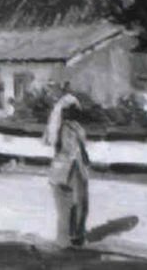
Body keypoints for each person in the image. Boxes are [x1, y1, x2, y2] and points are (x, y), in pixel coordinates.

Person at [45, 95, 90, 247]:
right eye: (73, 110)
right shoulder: (69, 128)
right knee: (77, 204)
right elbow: (76, 150)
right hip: (72, 168)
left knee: (68, 206)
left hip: (62, 169)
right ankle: (74, 238)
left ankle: (68, 238)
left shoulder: (58, 126)